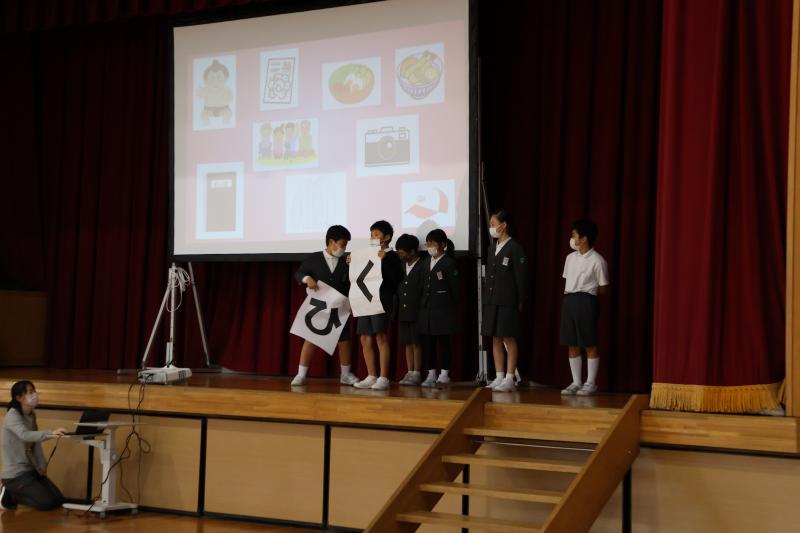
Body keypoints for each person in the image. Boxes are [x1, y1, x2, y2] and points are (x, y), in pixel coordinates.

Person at [291, 225, 359, 386]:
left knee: (344, 341)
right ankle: (301, 374)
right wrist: (307, 279)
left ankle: (345, 374)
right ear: (331, 242)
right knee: (311, 339)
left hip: (339, 307)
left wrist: (352, 302)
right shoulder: (314, 259)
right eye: (342, 244)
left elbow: (351, 283)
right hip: (319, 307)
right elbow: (298, 273)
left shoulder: (347, 261)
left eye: (346, 245)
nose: (344, 248)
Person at [560, 219, 609, 396]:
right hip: (569, 300)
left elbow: (603, 287)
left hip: (587, 301)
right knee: (572, 343)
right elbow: (567, 279)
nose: (572, 238)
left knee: (589, 342)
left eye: (574, 235)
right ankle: (576, 381)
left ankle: (590, 383)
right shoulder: (570, 258)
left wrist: (588, 295)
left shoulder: (598, 260)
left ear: (584, 238)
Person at [352, 220, 403, 390]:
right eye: (371, 234)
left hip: (382, 299)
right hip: (365, 298)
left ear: (386, 237)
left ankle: (383, 377)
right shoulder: (367, 254)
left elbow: (398, 278)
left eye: (376, 234)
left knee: (380, 336)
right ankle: (371, 375)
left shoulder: (392, 256)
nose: (372, 237)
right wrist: (352, 263)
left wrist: (384, 259)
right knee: (365, 337)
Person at [1, 381, 67, 511]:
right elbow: (25, 435)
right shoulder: (12, 415)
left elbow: (35, 442)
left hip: (30, 470)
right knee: (46, 503)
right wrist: (51, 433)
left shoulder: (31, 415)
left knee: (58, 499)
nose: (34, 395)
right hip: (15, 474)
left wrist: (41, 465)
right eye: (30, 392)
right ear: (19, 398)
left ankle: (13, 493)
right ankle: (9, 494)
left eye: (34, 391)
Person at [482, 209, 529, 392]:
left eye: (494, 224)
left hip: (508, 301)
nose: (491, 228)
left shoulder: (514, 248)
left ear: (503, 225)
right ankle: (499, 375)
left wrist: (520, 300)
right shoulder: (491, 248)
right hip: (492, 300)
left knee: (508, 337)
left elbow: (521, 277)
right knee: (495, 337)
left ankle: (510, 377)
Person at [417, 229, 459, 387]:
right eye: (428, 243)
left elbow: (455, 289)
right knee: (428, 343)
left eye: (433, 243)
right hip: (426, 310)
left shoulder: (449, 263)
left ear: (442, 244)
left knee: (444, 343)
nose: (430, 246)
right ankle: (431, 373)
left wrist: (450, 307)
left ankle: (444, 374)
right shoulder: (425, 262)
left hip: (443, 310)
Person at [393, 234, 425, 386]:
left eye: (402, 252)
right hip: (403, 311)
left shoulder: (423, 266)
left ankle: (417, 372)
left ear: (412, 251)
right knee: (407, 342)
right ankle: (409, 371)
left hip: (417, 311)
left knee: (416, 342)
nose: (400, 255)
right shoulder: (400, 266)